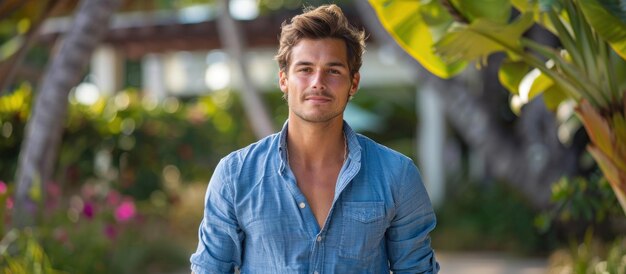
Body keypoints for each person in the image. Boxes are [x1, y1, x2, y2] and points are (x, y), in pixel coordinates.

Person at [190, 4, 439, 273]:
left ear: (353, 83)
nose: (317, 82)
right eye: (305, 69)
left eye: (333, 71)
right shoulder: (235, 175)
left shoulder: (396, 175)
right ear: (284, 80)